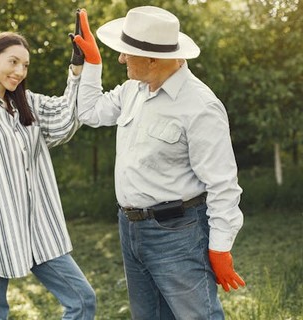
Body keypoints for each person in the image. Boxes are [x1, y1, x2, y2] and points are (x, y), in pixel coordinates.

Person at [74, 6, 245, 319]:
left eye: (127, 53)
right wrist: (91, 65)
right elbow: (88, 112)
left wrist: (220, 247)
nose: (121, 59)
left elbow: (222, 185)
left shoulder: (200, 106)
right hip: (130, 230)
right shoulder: (132, 91)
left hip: (178, 234)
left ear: (152, 59)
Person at [0, 29, 96, 320]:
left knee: (82, 300)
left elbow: (66, 119)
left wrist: (77, 68)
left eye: (25, 65)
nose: (20, 71)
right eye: (13, 61)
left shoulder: (27, 105)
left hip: (39, 232)